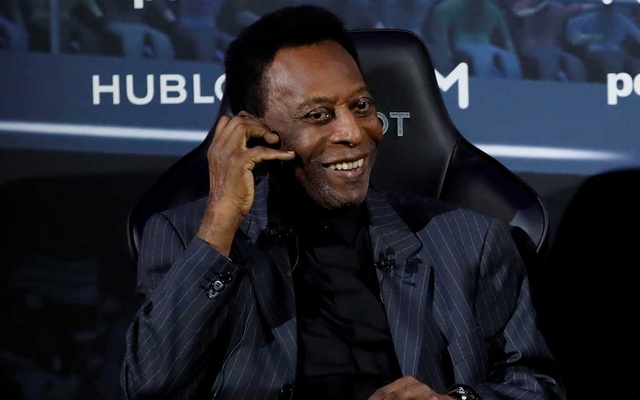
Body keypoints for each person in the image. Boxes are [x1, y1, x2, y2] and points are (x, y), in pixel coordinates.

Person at [120, 5, 566, 400]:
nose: (354, 132)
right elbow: (151, 387)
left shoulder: (470, 240)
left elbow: (536, 387)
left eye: (363, 105)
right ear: (254, 132)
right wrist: (221, 222)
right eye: (318, 116)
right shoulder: (185, 236)